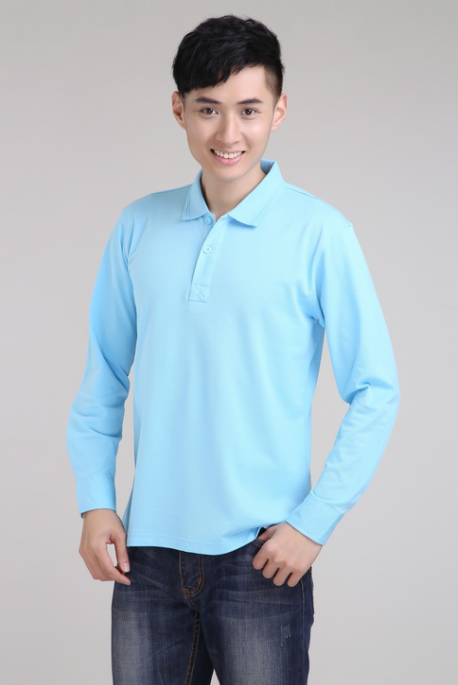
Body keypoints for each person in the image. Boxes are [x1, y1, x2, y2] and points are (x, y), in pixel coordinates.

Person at [66, 14, 401, 685]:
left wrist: (314, 522)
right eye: (207, 109)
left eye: (248, 110)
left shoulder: (320, 233)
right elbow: (103, 377)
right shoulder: (138, 226)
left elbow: (377, 391)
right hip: (146, 555)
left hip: (262, 557)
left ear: (279, 109)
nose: (228, 133)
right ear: (178, 109)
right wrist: (95, 500)